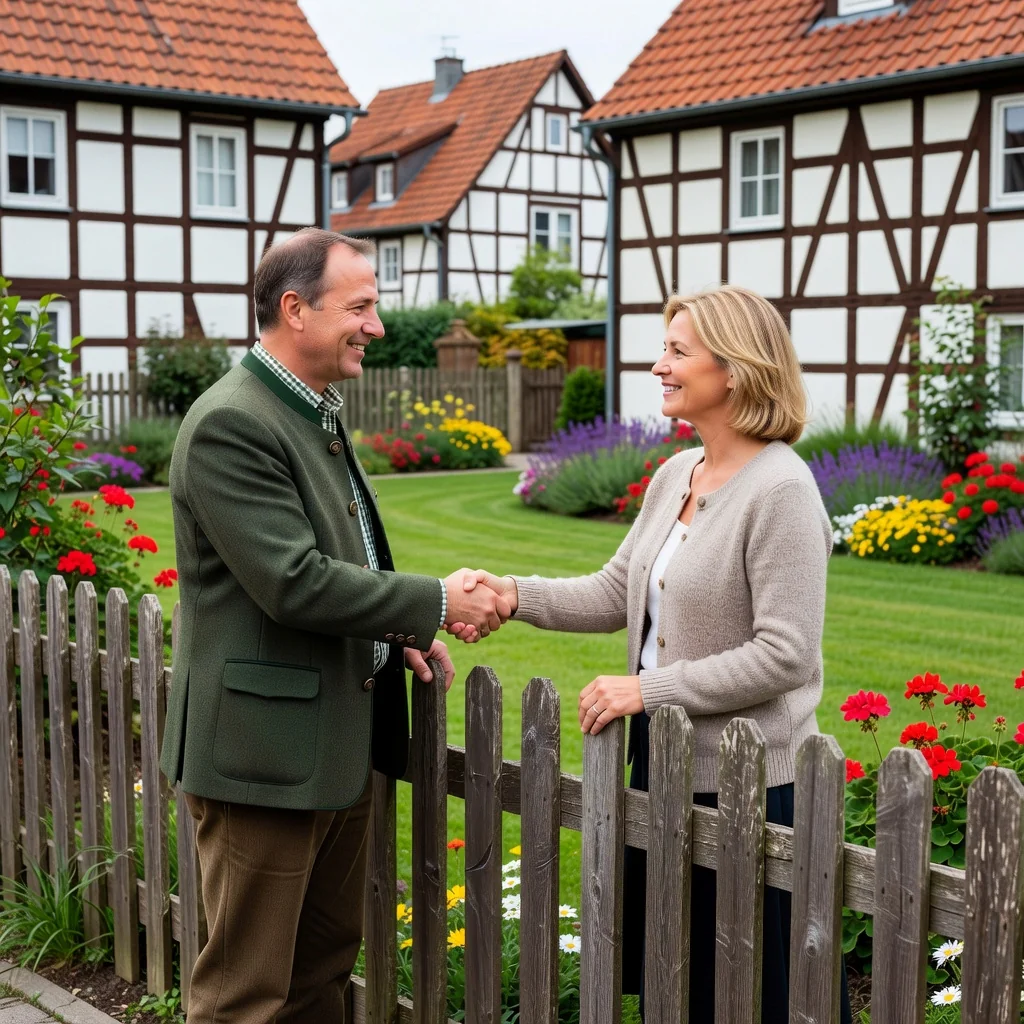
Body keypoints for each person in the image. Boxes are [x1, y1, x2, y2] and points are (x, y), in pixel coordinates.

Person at [453, 285, 853, 1022]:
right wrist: (513, 594)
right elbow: (618, 590)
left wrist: (651, 689)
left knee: (755, 994)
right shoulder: (680, 475)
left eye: (677, 350)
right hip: (664, 773)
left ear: (734, 368)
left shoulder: (783, 490)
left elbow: (786, 654)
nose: (657, 365)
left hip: (753, 789)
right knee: (681, 986)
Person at [160, 227, 511, 1024]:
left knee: (320, 975)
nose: (377, 326)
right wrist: (435, 603)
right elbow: (292, 582)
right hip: (263, 760)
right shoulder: (234, 423)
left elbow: (339, 560)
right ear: (296, 310)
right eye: (361, 306)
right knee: (245, 995)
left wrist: (395, 638)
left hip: (327, 749)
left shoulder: (307, 407)